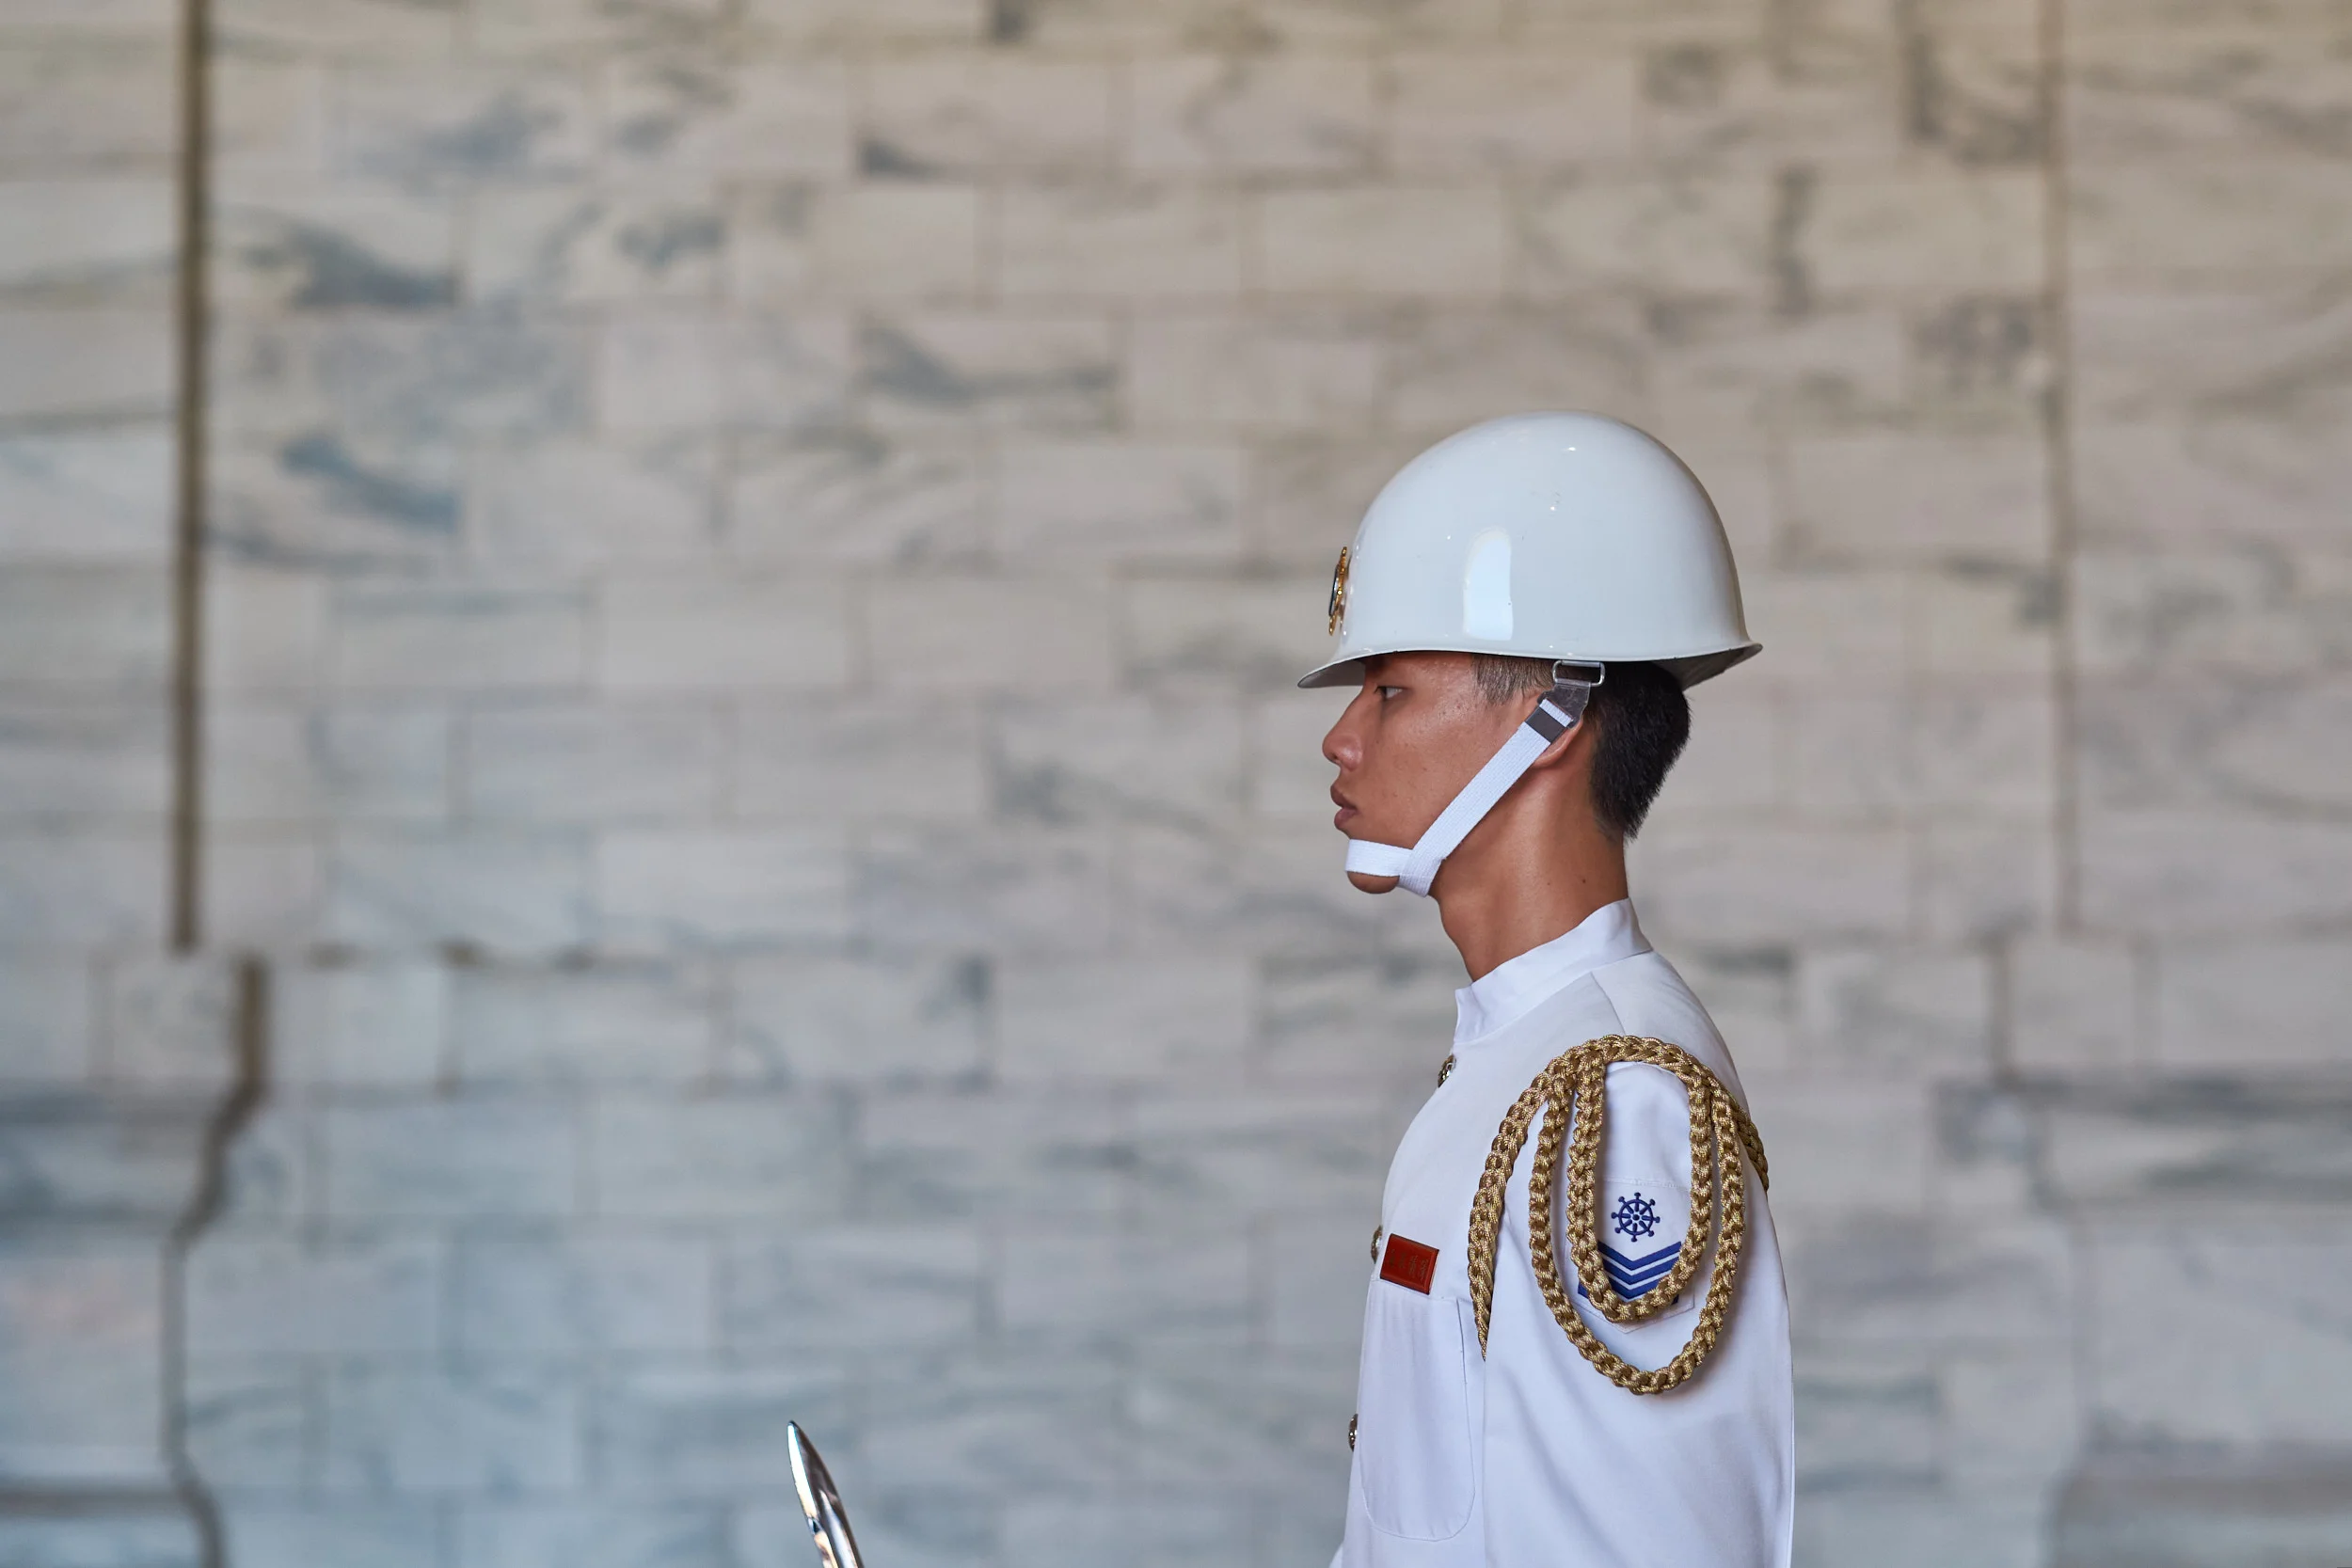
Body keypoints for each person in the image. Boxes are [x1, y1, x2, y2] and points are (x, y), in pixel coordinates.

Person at [1309, 413, 1793, 1567]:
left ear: (1550, 723)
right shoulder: (1526, 1055)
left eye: (1387, 690)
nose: (1338, 737)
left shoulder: (1614, 1097)